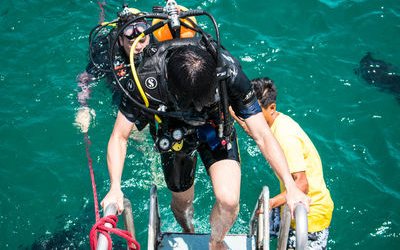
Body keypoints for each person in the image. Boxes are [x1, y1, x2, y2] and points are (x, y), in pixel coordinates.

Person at [100, 33, 310, 250]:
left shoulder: (229, 73)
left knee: (229, 201)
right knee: (182, 202)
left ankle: (216, 242)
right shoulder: (145, 80)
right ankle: (188, 231)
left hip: (215, 129)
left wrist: (290, 185)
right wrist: (115, 187)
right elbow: (119, 136)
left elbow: (263, 134)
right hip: (175, 135)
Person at [231, 77, 334, 250]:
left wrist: (271, 203)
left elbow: (302, 184)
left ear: (272, 108)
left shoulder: (286, 138)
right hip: (288, 202)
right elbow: (252, 128)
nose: (250, 117)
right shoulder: (273, 122)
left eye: (254, 112)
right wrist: (231, 110)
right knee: (258, 235)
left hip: (309, 215)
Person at [74, 8, 151, 133]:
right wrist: (83, 107)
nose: (138, 47)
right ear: (121, 40)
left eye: (142, 41)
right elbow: (83, 79)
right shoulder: (107, 56)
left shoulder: (156, 43)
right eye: (131, 43)